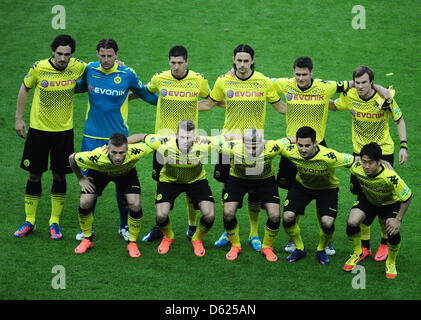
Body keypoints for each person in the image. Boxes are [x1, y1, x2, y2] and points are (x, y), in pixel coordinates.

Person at [273, 56, 390, 255]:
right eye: (297, 74)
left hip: (317, 144)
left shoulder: (325, 87)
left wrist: (380, 89)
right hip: (293, 146)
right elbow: (261, 82)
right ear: (293, 72)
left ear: (312, 72)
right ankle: (294, 241)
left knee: (322, 189)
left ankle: (325, 240)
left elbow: (356, 82)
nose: (300, 78)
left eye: (304, 74)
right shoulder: (285, 84)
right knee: (293, 189)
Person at [201, 44, 287, 252]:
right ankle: (227, 231)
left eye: (245, 61)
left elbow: (281, 108)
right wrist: (172, 102)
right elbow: (208, 104)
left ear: (252, 61)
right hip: (227, 142)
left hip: (254, 145)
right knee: (226, 185)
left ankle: (253, 233)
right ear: (233, 59)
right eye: (238, 61)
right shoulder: (223, 81)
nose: (241, 65)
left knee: (255, 189)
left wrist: (312, 105)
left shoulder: (264, 82)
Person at [73, 38, 158, 241]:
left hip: (119, 139)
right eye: (102, 55)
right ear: (97, 54)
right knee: (89, 185)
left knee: (122, 185)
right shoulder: (90, 70)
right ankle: (88, 228)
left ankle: (123, 226)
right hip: (92, 138)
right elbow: (78, 87)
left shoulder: (126, 74)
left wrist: (172, 101)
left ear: (117, 55)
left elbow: (145, 94)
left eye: (110, 56)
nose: (106, 59)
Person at [139, 45, 221, 243]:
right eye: (173, 63)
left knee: (190, 179)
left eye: (180, 63)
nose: (176, 67)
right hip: (163, 141)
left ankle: (192, 226)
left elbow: (210, 101)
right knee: (162, 181)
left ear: (187, 62)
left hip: (188, 141)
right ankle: (161, 227)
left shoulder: (198, 80)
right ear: (169, 61)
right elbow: (146, 92)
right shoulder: (159, 78)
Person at [331, 65, 408, 262]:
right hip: (359, 154)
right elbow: (335, 105)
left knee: (384, 198)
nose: (361, 86)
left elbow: (399, 120)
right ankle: (364, 247)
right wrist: (315, 99)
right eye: (357, 83)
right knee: (362, 197)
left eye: (364, 82)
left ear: (371, 82)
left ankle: (384, 241)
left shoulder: (384, 98)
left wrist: (404, 146)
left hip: (383, 152)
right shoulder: (350, 96)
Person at [14, 34, 86, 240]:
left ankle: (54, 222)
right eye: (59, 54)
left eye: (67, 54)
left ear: (72, 55)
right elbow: (25, 88)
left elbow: (100, 66)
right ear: (52, 53)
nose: (63, 58)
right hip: (38, 130)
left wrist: (117, 62)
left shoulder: (78, 67)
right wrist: (19, 118)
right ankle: (30, 221)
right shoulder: (39, 68)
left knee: (59, 175)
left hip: (63, 132)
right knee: (34, 175)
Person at [128, 120, 224, 256]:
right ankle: (168, 236)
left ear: (195, 136)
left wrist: (258, 142)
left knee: (209, 215)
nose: (185, 141)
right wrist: (119, 144)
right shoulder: (164, 141)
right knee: (161, 216)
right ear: (176, 135)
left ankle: (196, 238)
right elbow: (141, 136)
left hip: (196, 181)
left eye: (189, 137)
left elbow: (228, 137)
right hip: (169, 181)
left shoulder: (204, 143)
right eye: (183, 137)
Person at [68, 132, 153, 258]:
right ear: (107, 149)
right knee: (85, 201)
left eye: (121, 153)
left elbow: (150, 140)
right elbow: (72, 158)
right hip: (100, 172)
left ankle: (132, 242)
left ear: (128, 149)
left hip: (126, 174)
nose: (117, 157)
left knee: (135, 204)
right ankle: (87, 239)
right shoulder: (96, 156)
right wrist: (81, 179)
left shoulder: (137, 150)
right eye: (113, 152)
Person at [281, 126, 355, 265]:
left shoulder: (330, 156)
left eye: (307, 145)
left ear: (315, 143)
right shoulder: (290, 151)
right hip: (302, 187)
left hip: (327, 189)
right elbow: (270, 146)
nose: (303, 149)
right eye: (300, 145)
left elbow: (354, 161)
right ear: (295, 142)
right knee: (287, 216)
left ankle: (321, 249)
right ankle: (299, 248)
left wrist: (382, 163)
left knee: (327, 223)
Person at [221, 128, 293, 261]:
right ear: (242, 143)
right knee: (228, 212)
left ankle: (267, 247)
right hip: (238, 179)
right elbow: (212, 142)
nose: (252, 152)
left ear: (263, 143)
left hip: (264, 180)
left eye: (256, 147)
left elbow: (290, 140)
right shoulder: (232, 147)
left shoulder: (272, 147)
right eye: (249, 147)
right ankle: (235, 245)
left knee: (275, 215)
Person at [343, 142, 412, 279]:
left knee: (392, 229)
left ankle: (391, 261)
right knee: (352, 221)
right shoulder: (357, 167)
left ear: (379, 162)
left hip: (389, 204)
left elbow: (407, 196)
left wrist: (398, 219)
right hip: (369, 200)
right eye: (364, 162)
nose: (366, 166)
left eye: (370, 162)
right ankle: (358, 253)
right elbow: (342, 158)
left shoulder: (390, 176)